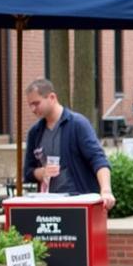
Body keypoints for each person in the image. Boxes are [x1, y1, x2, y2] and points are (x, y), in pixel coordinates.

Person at [24, 79, 115, 210]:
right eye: (30, 105)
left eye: (36, 103)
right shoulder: (35, 132)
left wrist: (106, 190)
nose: (33, 109)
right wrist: (43, 172)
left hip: (78, 202)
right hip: (48, 203)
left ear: (52, 97)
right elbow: (28, 172)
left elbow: (98, 159)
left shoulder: (78, 124)